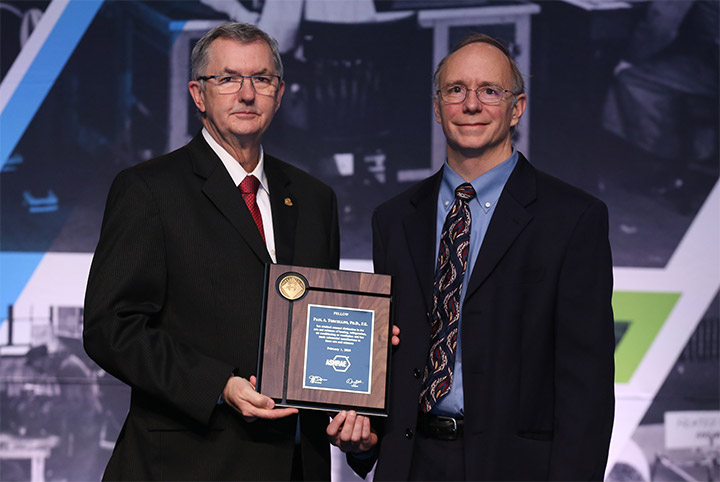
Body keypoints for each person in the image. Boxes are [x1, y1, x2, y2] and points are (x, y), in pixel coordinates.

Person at [328, 33, 615, 480]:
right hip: (411, 464)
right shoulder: (394, 218)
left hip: (517, 468)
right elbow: (393, 351)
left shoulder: (573, 219)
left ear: (517, 107)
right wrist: (364, 441)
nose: (471, 104)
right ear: (437, 107)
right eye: (456, 90)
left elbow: (587, 385)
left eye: (490, 91)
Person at [83, 22, 340, 481]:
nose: (247, 94)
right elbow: (110, 327)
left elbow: (324, 326)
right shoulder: (148, 190)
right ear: (198, 94)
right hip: (187, 463)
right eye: (227, 79)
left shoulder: (314, 198)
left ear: (279, 95)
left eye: (261, 79)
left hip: (295, 465)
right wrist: (218, 384)